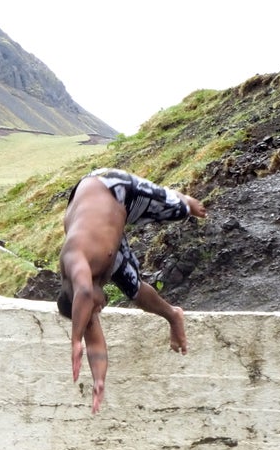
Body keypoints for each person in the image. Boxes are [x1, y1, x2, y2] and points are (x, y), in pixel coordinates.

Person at [57, 167, 206, 413]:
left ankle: (185, 200)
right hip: (108, 232)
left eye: (94, 308)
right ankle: (173, 315)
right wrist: (99, 381)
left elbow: (84, 293)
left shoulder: (74, 259)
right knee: (134, 289)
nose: (100, 308)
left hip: (109, 188)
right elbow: (95, 347)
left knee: (181, 211)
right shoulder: (86, 298)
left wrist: (74, 341)